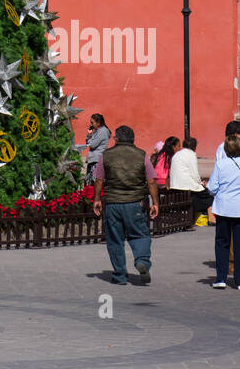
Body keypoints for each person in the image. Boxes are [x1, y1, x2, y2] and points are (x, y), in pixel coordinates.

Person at [92, 125, 159, 285]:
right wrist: (155, 203)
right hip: (135, 203)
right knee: (140, 235)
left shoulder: (105, 156)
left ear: (117, 139)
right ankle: (141, 261)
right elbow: (151, 181)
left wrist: (97, 199)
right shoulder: (142, 155)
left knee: (115, 240)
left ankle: (120, 275)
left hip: (113, 203)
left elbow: (99, 180)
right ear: (133, 139)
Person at [205, 133, 240, 288]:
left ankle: (221, 278)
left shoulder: (220, 165)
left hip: (223, 208)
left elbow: (212, 188)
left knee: (222, 242)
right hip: (238, 208)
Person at [168, 137, 212, 225]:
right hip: (186, 187)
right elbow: (194, 173)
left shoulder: (177, 154)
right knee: (208, 195)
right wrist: (201, 183)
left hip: (175, 186)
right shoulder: (191, 154)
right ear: (194, 146)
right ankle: (201, 216)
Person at [84, 114, 111, 186]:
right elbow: (90, 143)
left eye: (92, 122)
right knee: (89, 183)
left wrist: (89, 137)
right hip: (94, 159)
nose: (91, 124)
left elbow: (92, 145)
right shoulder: (98, 131)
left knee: (93, 183)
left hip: (97, 160)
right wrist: (89, 136)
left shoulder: (102, 131)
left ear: (98, 122)